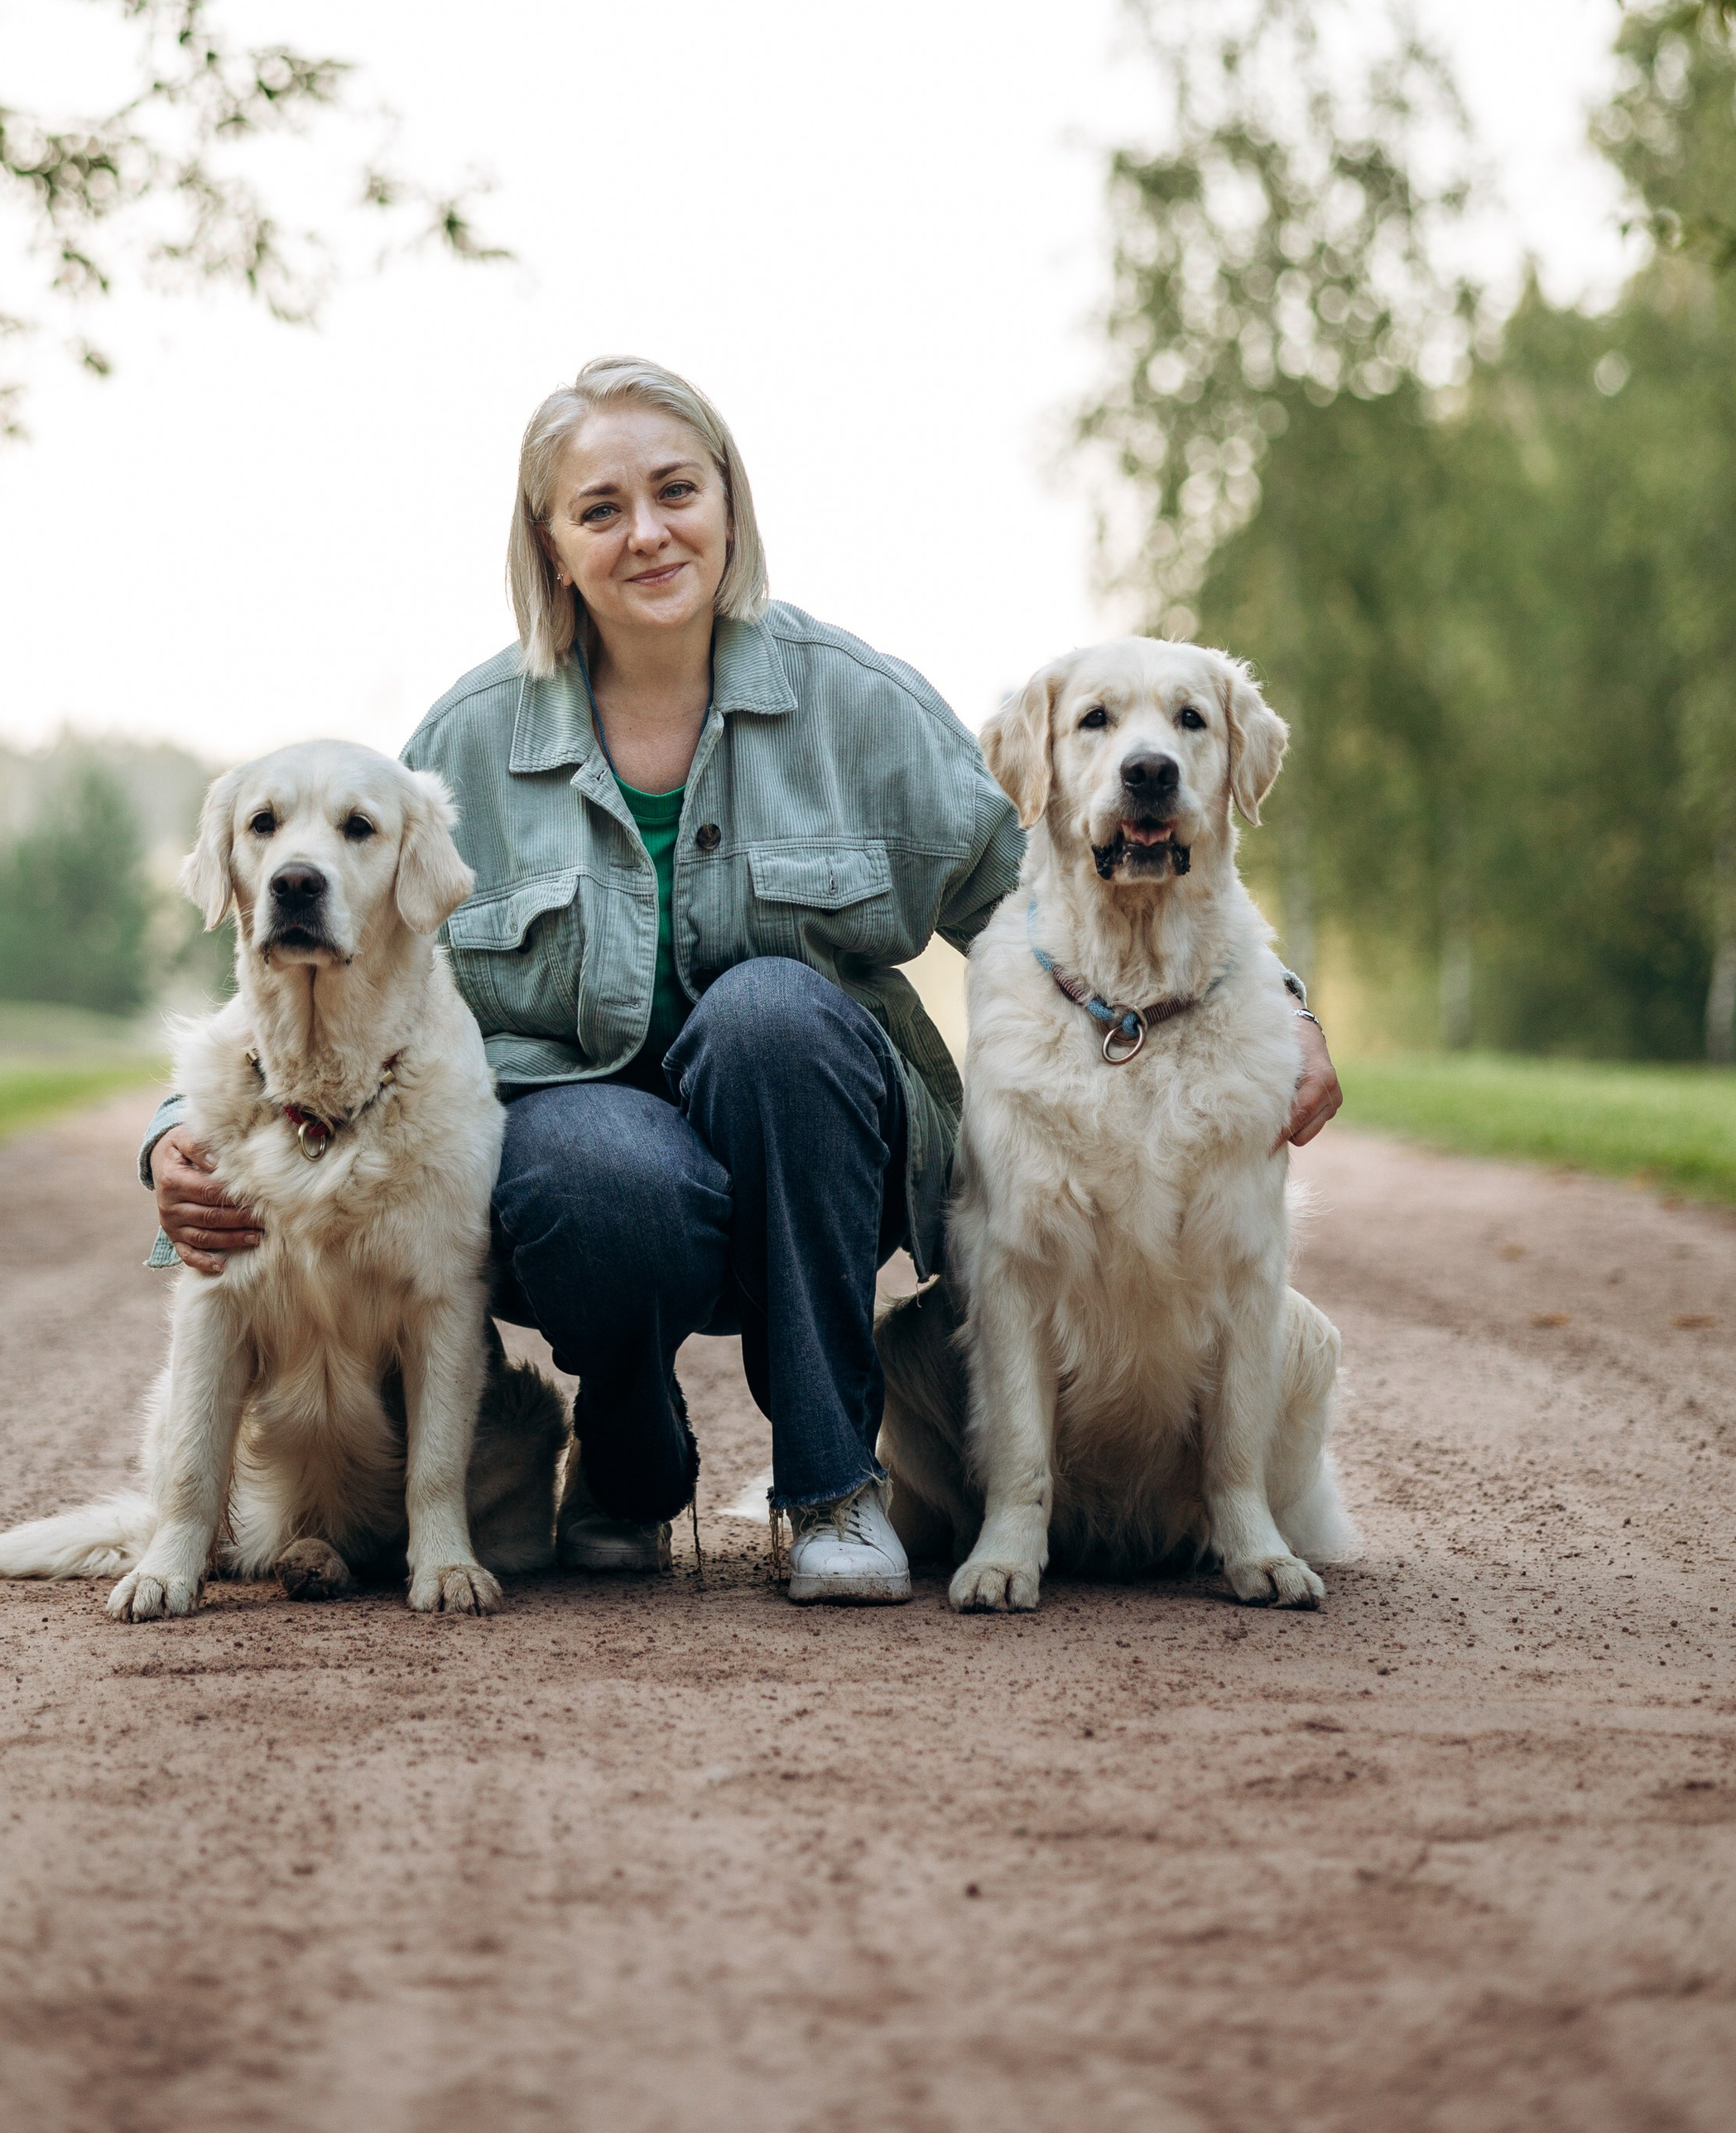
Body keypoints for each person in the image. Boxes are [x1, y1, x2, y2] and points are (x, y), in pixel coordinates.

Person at [146, 355, 1344, 1605]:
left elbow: (1066, 880)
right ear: (551, 545)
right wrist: (181, 1130)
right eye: (601, 510)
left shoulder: (858, 707)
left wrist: (1287, 1012)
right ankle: (624, 1460)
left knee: (772, 1016)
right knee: (595, 1164)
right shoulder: (465, 743)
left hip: (814, 1149)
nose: (648, 533)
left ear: (731, 506)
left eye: (678, 491)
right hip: (593, 1187)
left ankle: (834, 1488)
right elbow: (328, 947)